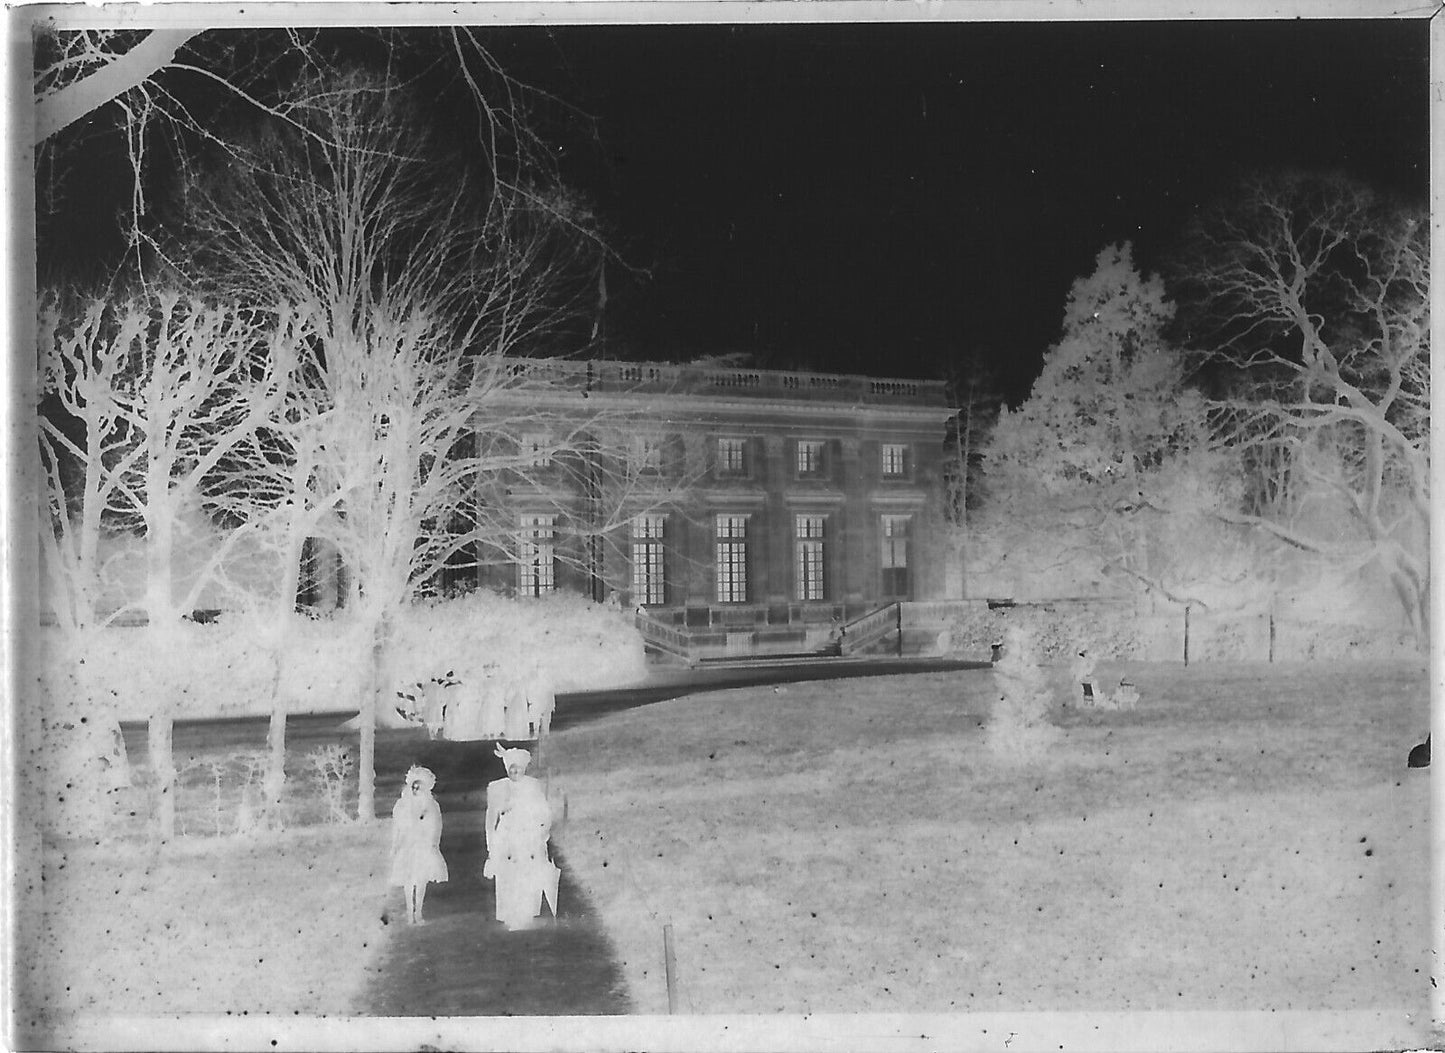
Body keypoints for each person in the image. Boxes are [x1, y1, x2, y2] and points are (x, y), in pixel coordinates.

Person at [483, 744, 560, 930]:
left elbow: (545, 811)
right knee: (508, 874)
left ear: (524, 769)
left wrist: (542, 831)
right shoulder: (497, 788)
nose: (515, 771)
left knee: (527, 872)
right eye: (511, 767)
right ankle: (511, 915)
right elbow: (491, 817)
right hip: (507, 836)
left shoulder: (533, 786)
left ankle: (526, 913)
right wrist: (491, 843)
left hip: (528, 835)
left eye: (518, 767)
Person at [389, 765, 449, 925]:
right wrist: (395, 846)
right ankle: (409, 913)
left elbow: (436, 826)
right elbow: (397, 827)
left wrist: (433, 843)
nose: (415, 789)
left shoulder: (431, 806)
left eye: (419, 787)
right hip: (407, 845)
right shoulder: (402, 805)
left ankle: (419, 912)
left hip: (423, 845)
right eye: (413, 786)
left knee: (421, 879)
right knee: (408, 880)